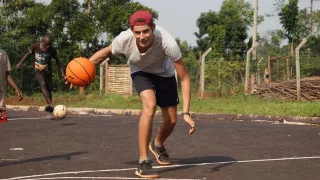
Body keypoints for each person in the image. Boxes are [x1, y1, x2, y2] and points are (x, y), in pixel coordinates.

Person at [68, 10, 196, 178]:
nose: (142, 36)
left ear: (153, 28)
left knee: (171, 120)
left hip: (164, 74)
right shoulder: (123, 39)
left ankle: (157, 144)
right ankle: (143, 162)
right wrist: (78, 72)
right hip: (140, 72)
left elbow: (185, 78)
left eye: (146, 31)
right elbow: (104, 53)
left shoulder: (167, 42)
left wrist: (186, 112)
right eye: (137, 32)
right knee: (149, 106)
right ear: (132, 31)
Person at [16, 35, 65, 119]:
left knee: (49, 90)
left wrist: (62, 72)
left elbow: (58, 60)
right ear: (43, 43)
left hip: (48, 72)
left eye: (50, 45)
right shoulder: (35, 46)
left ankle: (50, 112)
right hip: (37, 71)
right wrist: (20, 63)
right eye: (47, 45)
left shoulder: (52, 50)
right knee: (42, 84)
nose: (48, 47)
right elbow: (27, 54)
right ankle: (50, 104)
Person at [0, 49, 23, 122]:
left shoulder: (3, 54)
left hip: (1, 101)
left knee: (3, 124)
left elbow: (6, 74)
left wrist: (16, 88)